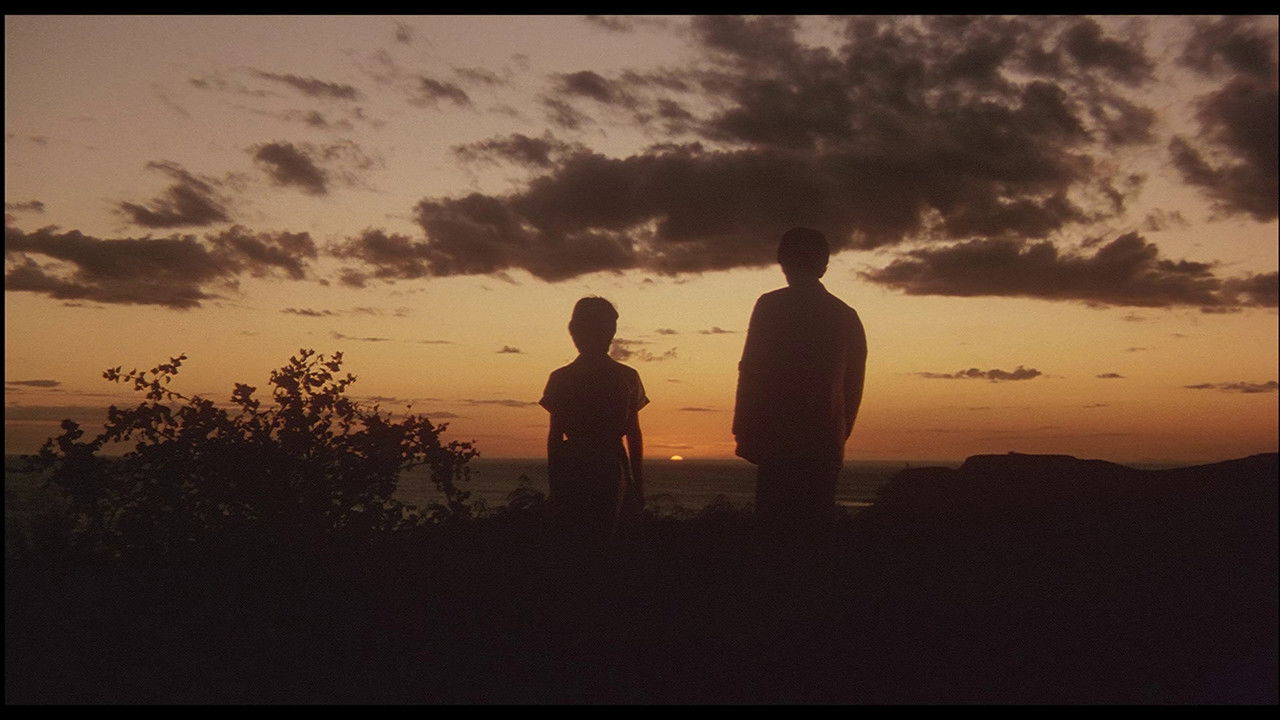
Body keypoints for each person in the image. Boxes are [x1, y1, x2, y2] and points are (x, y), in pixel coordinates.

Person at [733, 227, 867, 548]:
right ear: (824, 265)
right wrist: (839, 434)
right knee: (814, 536)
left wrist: (744, 429)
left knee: (774, 535)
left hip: (778, 438)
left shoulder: (771, 306)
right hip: (824, 442)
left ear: (783, 262)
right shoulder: (846, 315)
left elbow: (752, 370)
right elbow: (853, 387)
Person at [540, 297, 648, 544]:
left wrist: (554, 486)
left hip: (585, 466)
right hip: (606, 465)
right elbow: (633, 433)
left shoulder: (562, 378)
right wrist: (638, 486)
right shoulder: (626, 377)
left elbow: (555, 438)